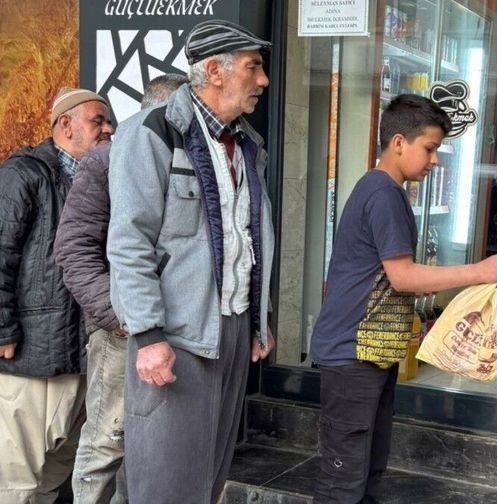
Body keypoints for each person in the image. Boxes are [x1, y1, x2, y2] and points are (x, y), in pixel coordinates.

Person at [311, 94, 497, 503]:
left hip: (369, 353)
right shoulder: (384, 194)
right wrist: (481, 271)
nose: (435, 160)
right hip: (352, 355)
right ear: (399, 143)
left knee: (366, 472)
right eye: (430, 148)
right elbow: (403, 278)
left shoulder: (385, 190)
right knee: (344, 482)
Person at [106, 20, 275, 503]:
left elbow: (248, 236)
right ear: (215, 72)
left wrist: (258, 320)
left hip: (233, 329)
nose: (262, 81)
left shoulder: (246, 144)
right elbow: (129, 242)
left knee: (209, 477)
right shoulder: (151, 133)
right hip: (175, 337)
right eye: (253, 67)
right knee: (163, 482)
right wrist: (148, 336)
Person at [54, 73, 188, 504]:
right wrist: (122, 317)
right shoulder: (107, 160)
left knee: (157, 450)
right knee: (106, 445)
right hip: (121, 335)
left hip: (179, 331)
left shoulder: (195, 158)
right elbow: (73, 250)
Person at [0, 87, 113, 503]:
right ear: (65, 124)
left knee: (58, 469)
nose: (108, 128)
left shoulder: (100, 176)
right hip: (29, 356)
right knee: (16, 478)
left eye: (108, 121)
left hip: (81, 354)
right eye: (97, 120)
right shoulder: (24, 173)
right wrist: (2, 330)